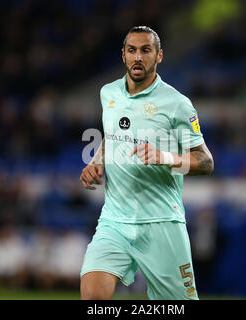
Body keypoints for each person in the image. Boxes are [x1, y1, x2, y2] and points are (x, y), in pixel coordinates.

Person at [79, 26, 214, 300]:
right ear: (123, 55)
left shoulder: (177, 104)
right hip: (114, 220)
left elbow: (205, 162)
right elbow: (113, 136)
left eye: (145, 50)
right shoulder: (108, 93)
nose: (138, 57)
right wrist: (97, 162)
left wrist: (166, 158)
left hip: (161, 222)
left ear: (159, 56)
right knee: (93, 298)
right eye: (132, 50)